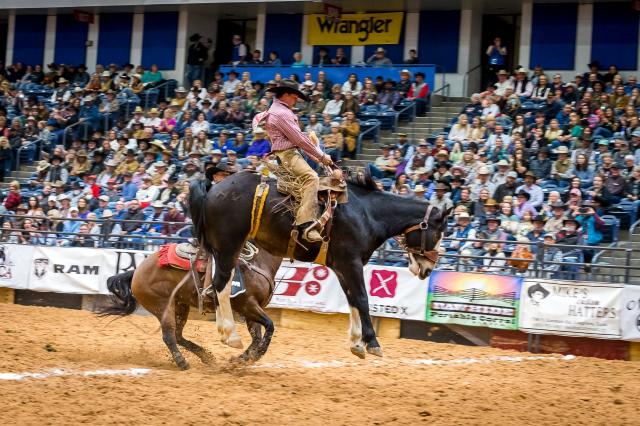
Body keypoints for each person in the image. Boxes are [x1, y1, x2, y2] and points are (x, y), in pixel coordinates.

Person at [252, 79, 333, 242]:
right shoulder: (282, 113)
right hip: (288, 154)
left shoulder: (278, 110)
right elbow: (300, 141)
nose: (296, 100)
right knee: (311, 178)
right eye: (295, 96)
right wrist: (322, 156)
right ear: (287, 94)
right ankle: (306, 225)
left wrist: (316, 153)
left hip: (288, 152)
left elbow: (299, 140)